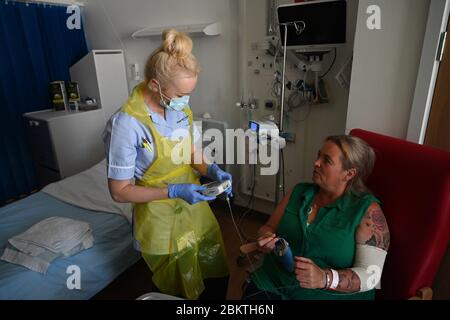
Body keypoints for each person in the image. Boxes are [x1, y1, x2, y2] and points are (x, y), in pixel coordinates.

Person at [103, 29, 231, 300]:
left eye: (190, 94)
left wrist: (212, 170)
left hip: (194, 210)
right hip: (159, 220)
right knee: (177, 288)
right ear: (154, 85)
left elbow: (192, 152)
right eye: (181, 94)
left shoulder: (179, 108)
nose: (186, 101)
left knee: (215, 273)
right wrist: (172, 191)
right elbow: (119, 191)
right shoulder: (127, 124)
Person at [243, 135, 390, 300]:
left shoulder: (367, 212)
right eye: (318, 155)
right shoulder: (298, 192)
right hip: (274, 283)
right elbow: (268, 227)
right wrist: (266, 237)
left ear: (349, 174)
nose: (316, 163)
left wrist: (324, 278)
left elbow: (371, 276)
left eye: (326, 160)